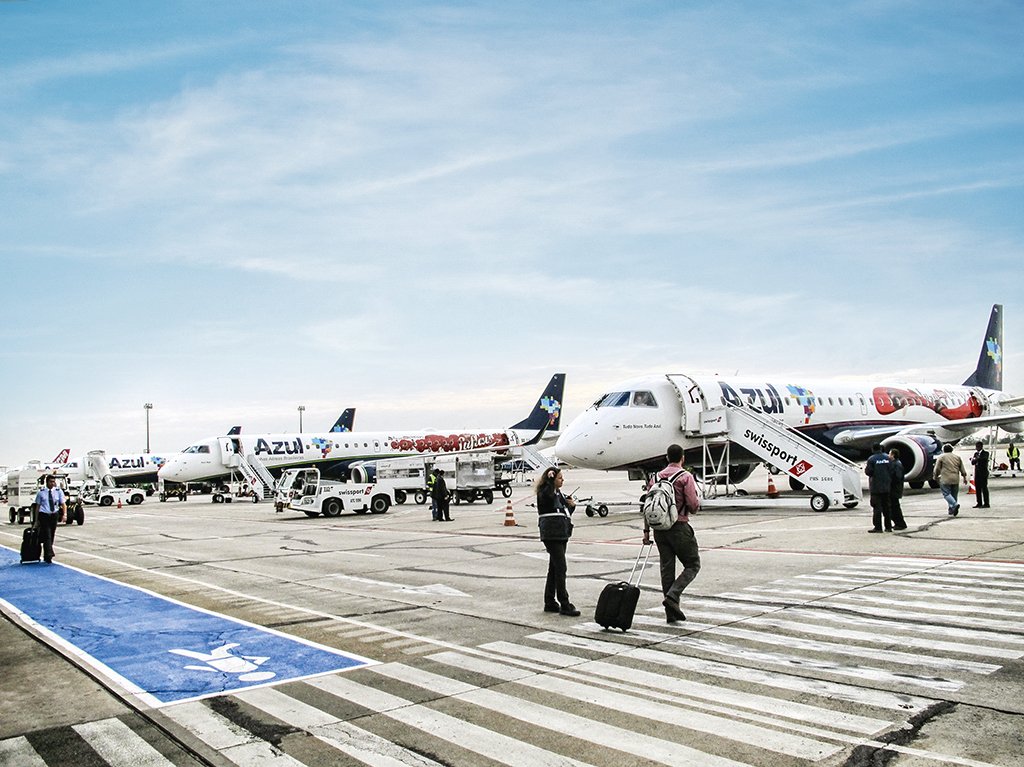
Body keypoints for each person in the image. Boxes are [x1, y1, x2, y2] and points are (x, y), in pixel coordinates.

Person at [642, 444, 700, 623]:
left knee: (667, 569)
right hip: (679, 526)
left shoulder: (655, 478)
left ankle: (671, 614)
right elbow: (693, 505)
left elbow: (648, 505)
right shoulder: (685, 477)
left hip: (659, 529)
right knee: (692, 564)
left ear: (667, 458)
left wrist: (646, 531)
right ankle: (673, 597)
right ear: (682, 458)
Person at [535, 467, 579, 616]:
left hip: (561, 533)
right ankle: (564, 602)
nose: (562, 480)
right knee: (561, 567)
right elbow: (547, 499)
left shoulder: (559, 494)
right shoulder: (545, 492)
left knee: (554, 568)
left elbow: (563, 512)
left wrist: (571, 506)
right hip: (551, 533)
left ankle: (549, 601)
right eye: (560, 478)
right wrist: (549, 479)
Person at [33, 475, 66, 563]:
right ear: (47, 482)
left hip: (54, 515)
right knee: (47, 535)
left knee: (51, 535)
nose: (52, 483)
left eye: (53, 481)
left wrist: (64, 514)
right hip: (44, 515)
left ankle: (47, 553)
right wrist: (36, 520)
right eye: (51, 482)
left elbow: (63, 504)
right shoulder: (41, 492)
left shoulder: (58, 491)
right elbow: (38, 506)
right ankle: (49, 555)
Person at [864, 444, 895, 532]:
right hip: (886, 486)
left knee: (877, 508)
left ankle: (878, 527)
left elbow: (869, 472)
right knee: (887, 508)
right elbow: (892, 470)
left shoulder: (872, 459)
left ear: (873, 449)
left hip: (876, 487)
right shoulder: (887, 458)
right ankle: (888, 527)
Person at [933, 444, 968, 516]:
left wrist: (935, 476)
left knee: (946, 494)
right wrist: (964, 477)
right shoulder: (957, 457)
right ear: (952, 450)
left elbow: (937, 469)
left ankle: (955, 505)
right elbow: (962, 468)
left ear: (943, 450)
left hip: (945, 478)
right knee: (954, 495)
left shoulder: (941, 457)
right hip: (955, 478)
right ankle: (951, 510)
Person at [887, 449, 908, 530]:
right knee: (894, 507)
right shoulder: (895, 463)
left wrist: (889, 481)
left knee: (895, 507)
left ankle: (900, 523)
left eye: (889, 454)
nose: (888, 455)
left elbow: (897, 477)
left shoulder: (897, 464)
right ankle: (898, 523)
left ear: (893, 455)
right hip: (895, 489)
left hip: (895, 489)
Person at [971, 441, 990, 508]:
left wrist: (977, 459)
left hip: (983, 473)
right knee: (978, 488)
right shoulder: (975, 454)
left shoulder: (985, 453)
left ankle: (986, 503)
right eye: (976, 446)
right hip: (977, 473)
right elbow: (973, 462)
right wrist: (975, 459)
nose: (977, 448)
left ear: (981, 446)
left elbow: (984, 459)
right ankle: (979, 503)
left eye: (978, 446)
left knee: (984, 488)